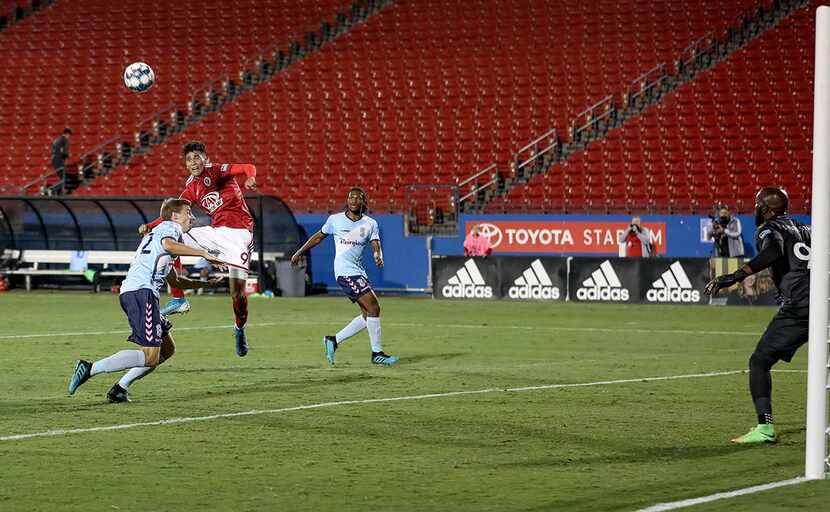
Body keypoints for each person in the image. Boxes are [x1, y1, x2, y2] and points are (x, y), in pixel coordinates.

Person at [67, 198, 224, 402]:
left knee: (167, 349)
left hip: (139, 293)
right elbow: (168, 244)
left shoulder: (164, 237)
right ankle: (89, 368)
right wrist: (204, 253)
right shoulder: (170, 229)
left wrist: (205, 284)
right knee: (150, 357)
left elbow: (176, 280)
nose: (192, 217)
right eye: (188, 212)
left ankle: (120, 388)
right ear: (174, 216)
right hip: (142, 294)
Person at [704, 187, 810, 444]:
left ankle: (765, 427)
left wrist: (734, 276)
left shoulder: (768, 228)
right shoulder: (806, 229)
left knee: (759, 361)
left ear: (766, 209)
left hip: (800, 306)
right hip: (822, 301)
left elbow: (771, 252)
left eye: (758, 205)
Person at [137, 141, 257, 357]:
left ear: (205, 158)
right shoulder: (192, 186)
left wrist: (250, 177)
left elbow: (247, 166)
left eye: (196, 157)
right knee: (171, 234)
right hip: (214, 232)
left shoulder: (217, 171)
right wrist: (150, 226)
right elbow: (172, 214)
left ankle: (239, 328)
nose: (193, 162)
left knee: (237, 293)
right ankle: (179, 298)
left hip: (239, 233)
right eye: (189, 159)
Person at [290, 187, 397, 366]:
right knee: (374, 307)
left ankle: (333, 340)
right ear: (347, 200)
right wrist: (299, 252)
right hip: (344, 271)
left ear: (364, 202)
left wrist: (378, 255)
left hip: (359, 271)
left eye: (358, 198)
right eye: (351, 197)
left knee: (367, 315)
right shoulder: (335, 220)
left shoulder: (370, 223)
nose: (354, 200)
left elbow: (375, 243)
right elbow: (318, 237)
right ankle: (376, 353)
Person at [50, 128, 71, 195]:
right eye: (69, 135)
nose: (69, 137)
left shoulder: (56, 140)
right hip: (59, 160)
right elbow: (64, 152)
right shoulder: (65, 140)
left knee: (62, 177)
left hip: (54, 160)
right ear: (67, 134)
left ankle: (62, 190)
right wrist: (67, 156)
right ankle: (53, 189)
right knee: (64, 177)